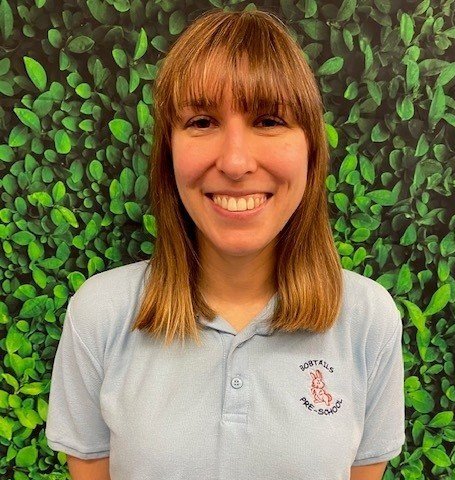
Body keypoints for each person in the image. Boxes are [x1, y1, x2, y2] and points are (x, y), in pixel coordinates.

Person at [45, 8, 405, 480]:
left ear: (311, 151)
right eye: (201, 121)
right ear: (168, 153)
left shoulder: (367, 320)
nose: (235, 162)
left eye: (269, 120)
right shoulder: (101, 314)